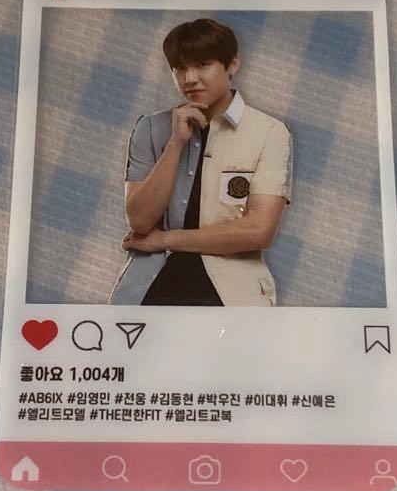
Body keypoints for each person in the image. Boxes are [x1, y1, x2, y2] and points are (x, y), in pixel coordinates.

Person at [109, 18, 292, 306]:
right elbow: (140, 221)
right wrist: (175, 143)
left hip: (232, 293)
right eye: (180, 68)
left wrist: (165, 240)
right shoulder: (150, 128)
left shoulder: (270, 132)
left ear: (232, 64)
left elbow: (258, 231)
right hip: (150, 287)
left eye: (202, 64)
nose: (189, 78)